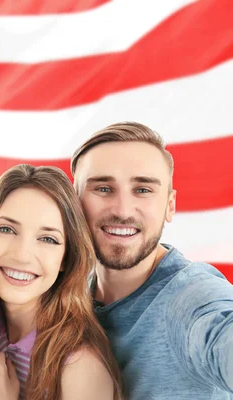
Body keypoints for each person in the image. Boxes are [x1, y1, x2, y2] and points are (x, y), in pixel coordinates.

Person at [71, 121, 233, 399]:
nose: (122, 211)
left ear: (170, 206)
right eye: (103, 189)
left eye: (143, 190)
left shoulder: (192, 298)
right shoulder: (67, 296)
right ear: (74, 202)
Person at [0, 164, 123, 400]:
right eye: (6, 229)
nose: (21, 255)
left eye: (48, 238)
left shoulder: (79, 366)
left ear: (65, 258)